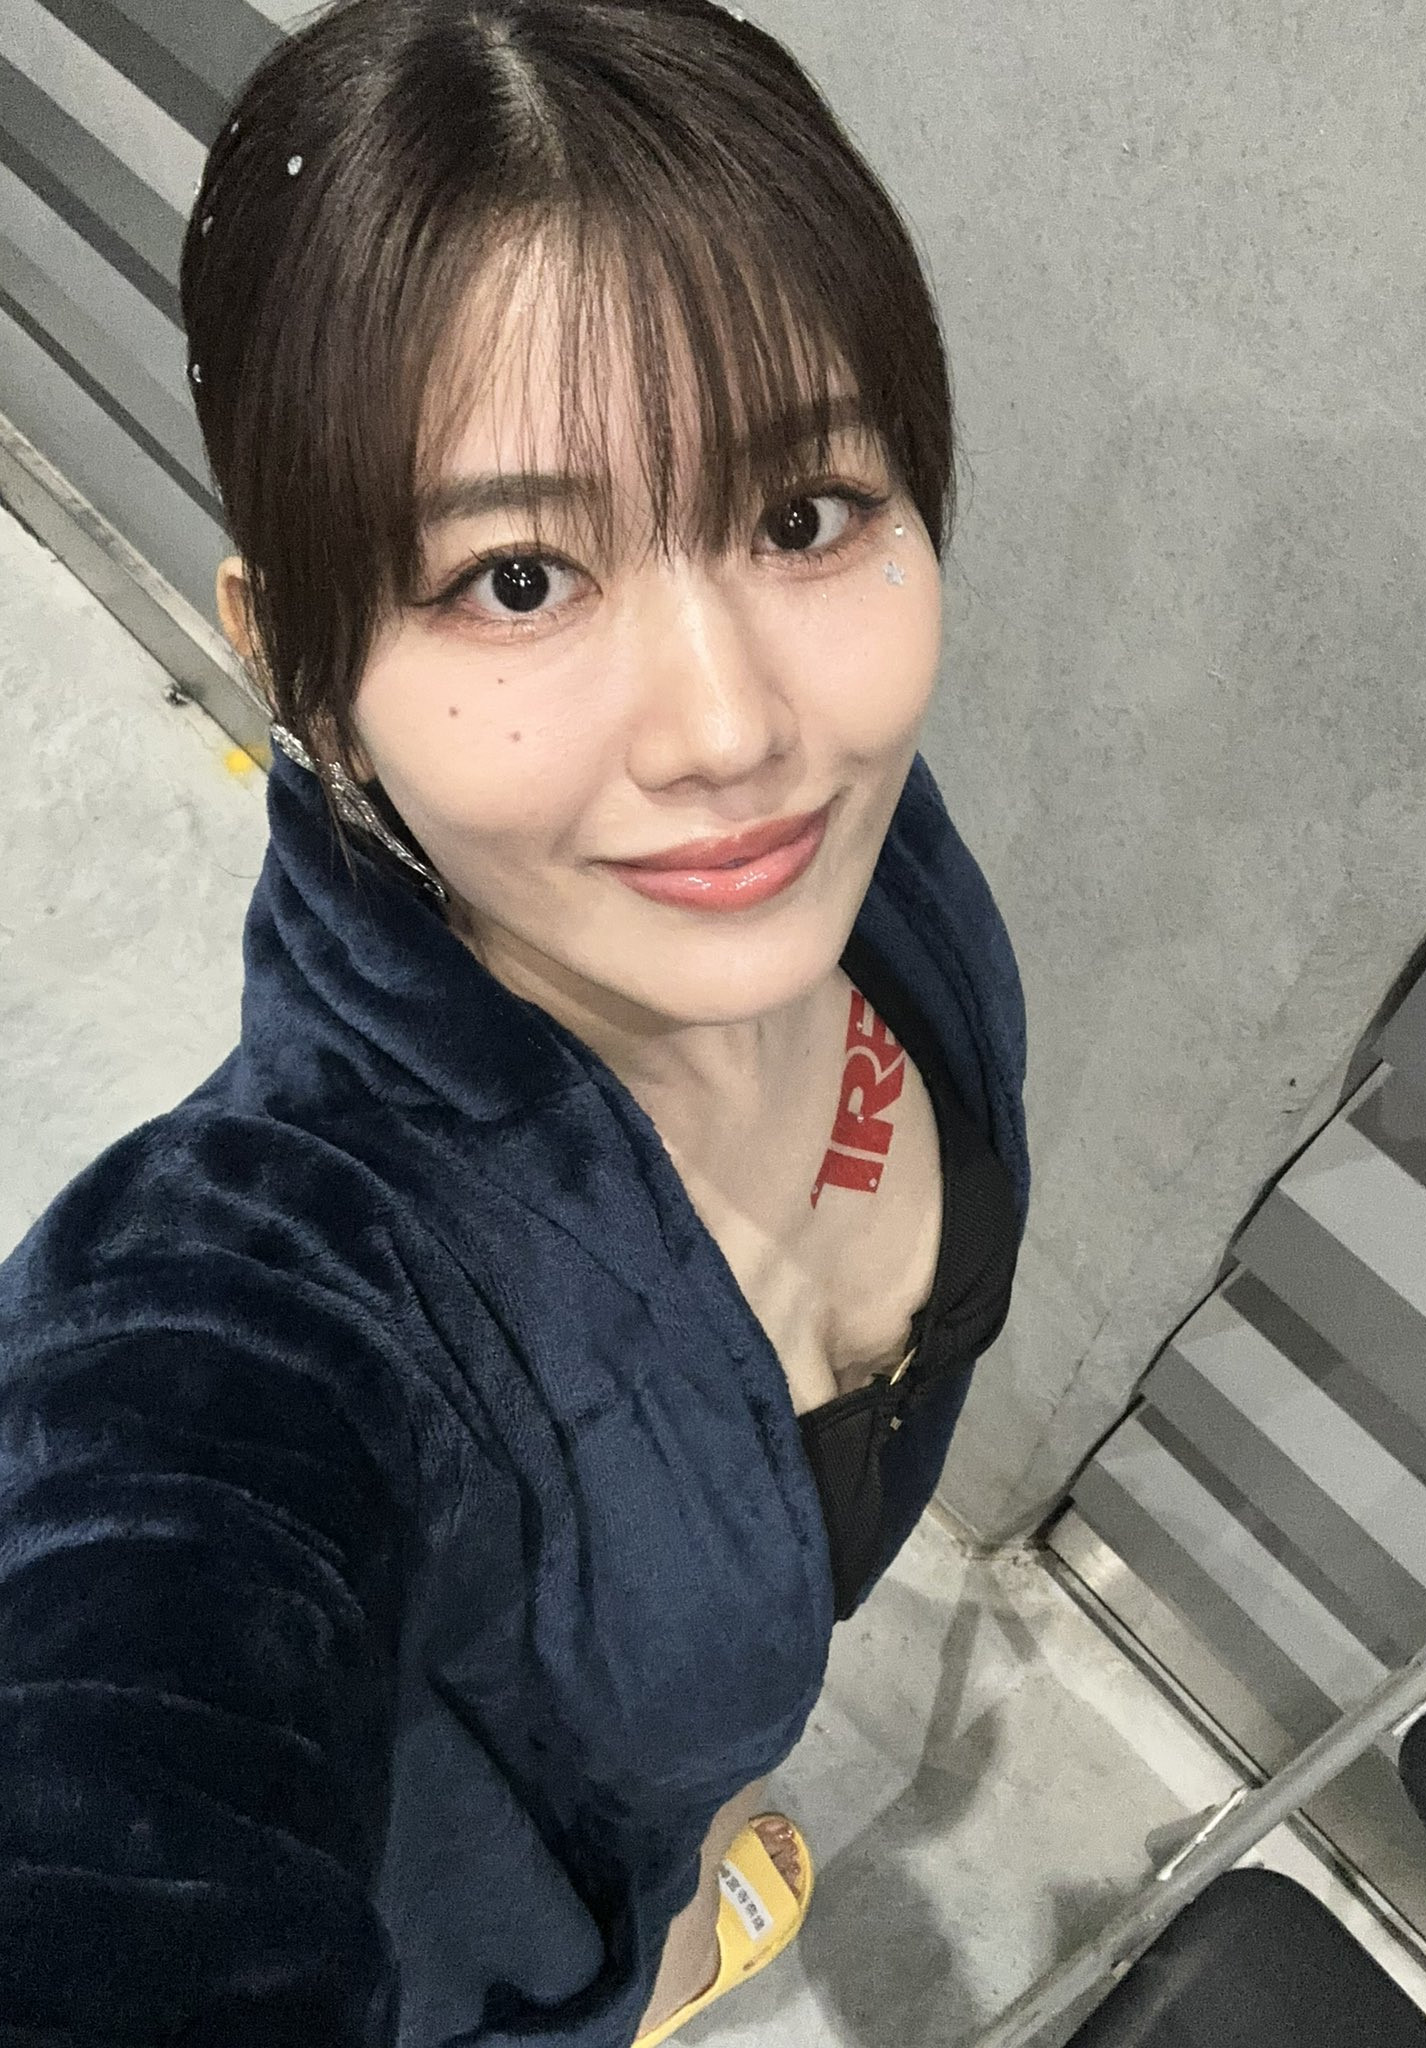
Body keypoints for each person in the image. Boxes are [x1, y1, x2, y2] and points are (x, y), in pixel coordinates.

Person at [0, 0, 1030, 2041]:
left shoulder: (860, 861)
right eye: (520, 577)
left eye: (801, 514)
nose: (732, 727)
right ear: (297, 665)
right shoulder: (256, 1294)